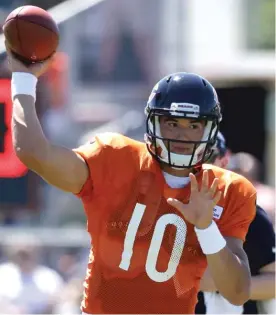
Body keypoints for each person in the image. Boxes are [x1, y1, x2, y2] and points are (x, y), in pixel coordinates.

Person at [7, 43, 256, 314]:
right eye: (172, 123)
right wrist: (23, 78)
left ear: (210, 129)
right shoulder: (116, 158)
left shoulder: (228, 189)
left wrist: (206, 227)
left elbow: (237, 292)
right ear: (153, 124)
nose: (182, 135)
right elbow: (34, 153)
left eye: (194, 126)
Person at [196, 132, 275, 314]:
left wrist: (227, 282)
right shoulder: (162, 204)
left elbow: (273, 282)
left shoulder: (246, 209)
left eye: (208, 157)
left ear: (224, 160)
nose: (200, 166)